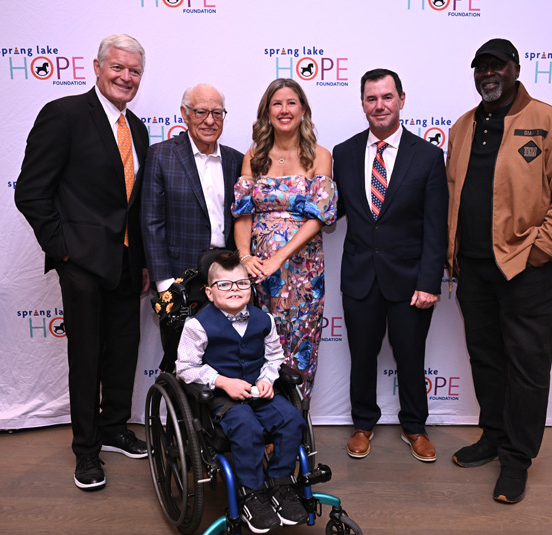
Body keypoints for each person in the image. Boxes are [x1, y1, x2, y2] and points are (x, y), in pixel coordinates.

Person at [446, 38, 552, 503]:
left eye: (497, 65)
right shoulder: (463, 126)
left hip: (525, 268)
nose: (488, 73)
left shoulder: (548, 121)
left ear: (515, 69)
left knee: (527, 365)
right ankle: (493, 435)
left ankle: (516, 459)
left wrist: (541, 249)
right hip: (472, 267)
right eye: (481, 67)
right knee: (486, 358)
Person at [15, 34, 150, 491]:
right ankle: (87, 451)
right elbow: (30, 191)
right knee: (87, 357)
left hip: (127, 263)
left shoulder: (138, 130)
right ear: (96, 67)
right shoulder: (64, 115)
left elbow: (132, 205)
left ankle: (114, 428)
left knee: (124, 352)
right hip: (82, 264)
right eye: (118, 67)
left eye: (134, 71)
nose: (126, 77)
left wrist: (141, 261)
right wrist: (64, 249)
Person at [333, 69, 448, 463]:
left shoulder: (428, 156)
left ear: (401, 99)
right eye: (371, 98)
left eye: (386, 97)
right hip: (360, 277)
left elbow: (436, 226)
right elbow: (335, 211)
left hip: (410, 280)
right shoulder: (344, 153)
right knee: (362, 357)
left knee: (411, 357)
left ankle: (415, 427)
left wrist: (430, 281)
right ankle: (362, 423)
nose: (379, 105)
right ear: (362, 104)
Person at [176, 251, 308, 534]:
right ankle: (252, 493)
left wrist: (267, 379)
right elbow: (185, 368)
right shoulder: (197, 326)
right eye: (224, 285)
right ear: (210, 293)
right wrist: (222, 381)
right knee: (246, 427)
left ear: (250, 286)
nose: (234, 289)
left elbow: (274, 357)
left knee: (292, 419)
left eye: (241, 283)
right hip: (221, 398)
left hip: (259, 391)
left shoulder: (264, 320)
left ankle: (281, 484)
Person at [232, 78, 336, 401]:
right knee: (261, 343)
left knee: (300, 344)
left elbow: (318, 216)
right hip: (259, 273)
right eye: (277, 103)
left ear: (303, 110)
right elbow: (243, 213)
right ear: (267, 112)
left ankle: (297, 419)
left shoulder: (320, 156)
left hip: (303, 272)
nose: (284, 110)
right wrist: (245, 256)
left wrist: (279, 257)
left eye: (291, 102)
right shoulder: (254, 156)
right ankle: (265, 414)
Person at [141, 83, 244, 372]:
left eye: (217, 113)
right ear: (185, 114)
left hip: (225, 274)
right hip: (179, 279)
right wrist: (165, 285)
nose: (209, 121)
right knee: (181, 361)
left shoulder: (236, 160)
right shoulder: (161, 155)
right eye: (201, 112)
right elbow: (151, 221)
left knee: (225, 359)